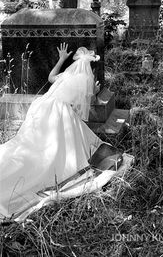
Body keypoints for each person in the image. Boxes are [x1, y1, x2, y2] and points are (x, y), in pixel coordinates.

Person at [0, 43, 104, 220]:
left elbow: (50, 78)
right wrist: (95, 90)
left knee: (32, 142)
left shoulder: (67, 74)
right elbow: (87, 101)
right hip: (59, 111)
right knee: (53, 148)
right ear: (89, 67)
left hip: (42, 106)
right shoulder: (85, 79)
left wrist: (62, 58)